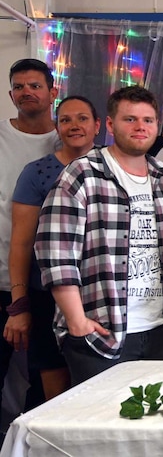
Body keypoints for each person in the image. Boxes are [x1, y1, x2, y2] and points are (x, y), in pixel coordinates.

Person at [35, 85, 163, 385]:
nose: (140, 127)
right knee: (102, 427)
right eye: (130, 119)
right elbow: (55, 252)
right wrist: (76, 320)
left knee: (157, 425)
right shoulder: (82, 173)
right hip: (101, 331)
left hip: (161, 327)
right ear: (109, 124)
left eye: (148, 120)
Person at [6, 96, 98, 401]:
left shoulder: (112, 167)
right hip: (46, 293)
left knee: (98, 386)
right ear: (57, 127)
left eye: (82, 118)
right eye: (66, 120)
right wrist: (19, 306)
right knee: (54, 390)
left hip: (99, 294)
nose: (74, 125)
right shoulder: (37, 172)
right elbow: (20, 243)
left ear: (98, 126)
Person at [1, 59, 60, 412]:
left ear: (52, 93)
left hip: (46, 284)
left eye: (35, 85)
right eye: (19, 87)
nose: (27, 92)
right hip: (3, 277)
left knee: (43, 376)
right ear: (11, 95)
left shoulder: (69, 138)